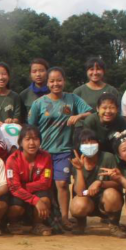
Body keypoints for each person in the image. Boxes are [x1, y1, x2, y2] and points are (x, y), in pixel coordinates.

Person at [27, 67, 92, 233]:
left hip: (63, 150)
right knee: (45, 185)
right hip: (43, 152)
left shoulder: (72, 99)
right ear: (47, 83)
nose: (56, 84)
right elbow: (30, 128)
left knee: (62, 183)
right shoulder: (39, 103)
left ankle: (64, 217)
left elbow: (91, 112)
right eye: (52, 81)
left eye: (59, 80)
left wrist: (78, 116)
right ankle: (47, 217)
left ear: (64, 81)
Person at [68, 129, 126, 238]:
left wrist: (100, 183)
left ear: (98, 143)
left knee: (112, 194)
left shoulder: (108, 157)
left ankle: (114, 224)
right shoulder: (77, 162)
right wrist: (80, 169)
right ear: (79, 146)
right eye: (85, 143)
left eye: (92, 142)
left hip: (105, 199)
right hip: (87, 199)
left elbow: (118, 183)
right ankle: (80, 223)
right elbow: (80, 192)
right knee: (77, 205)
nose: (89, 145)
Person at [5, 126, 54, 236]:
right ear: (20, 143)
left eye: (35, 139)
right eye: (27, 139)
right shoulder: (12, 159)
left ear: (40, 141)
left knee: (45, 199)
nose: (32, 143)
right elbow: (13, 188)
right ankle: (13, 223)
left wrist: (22, 187)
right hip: (17, 195)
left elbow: (46, 182)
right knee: (15, 208)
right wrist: (35, 200)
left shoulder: (46, 157)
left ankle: (38, 224)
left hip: (33, 190)